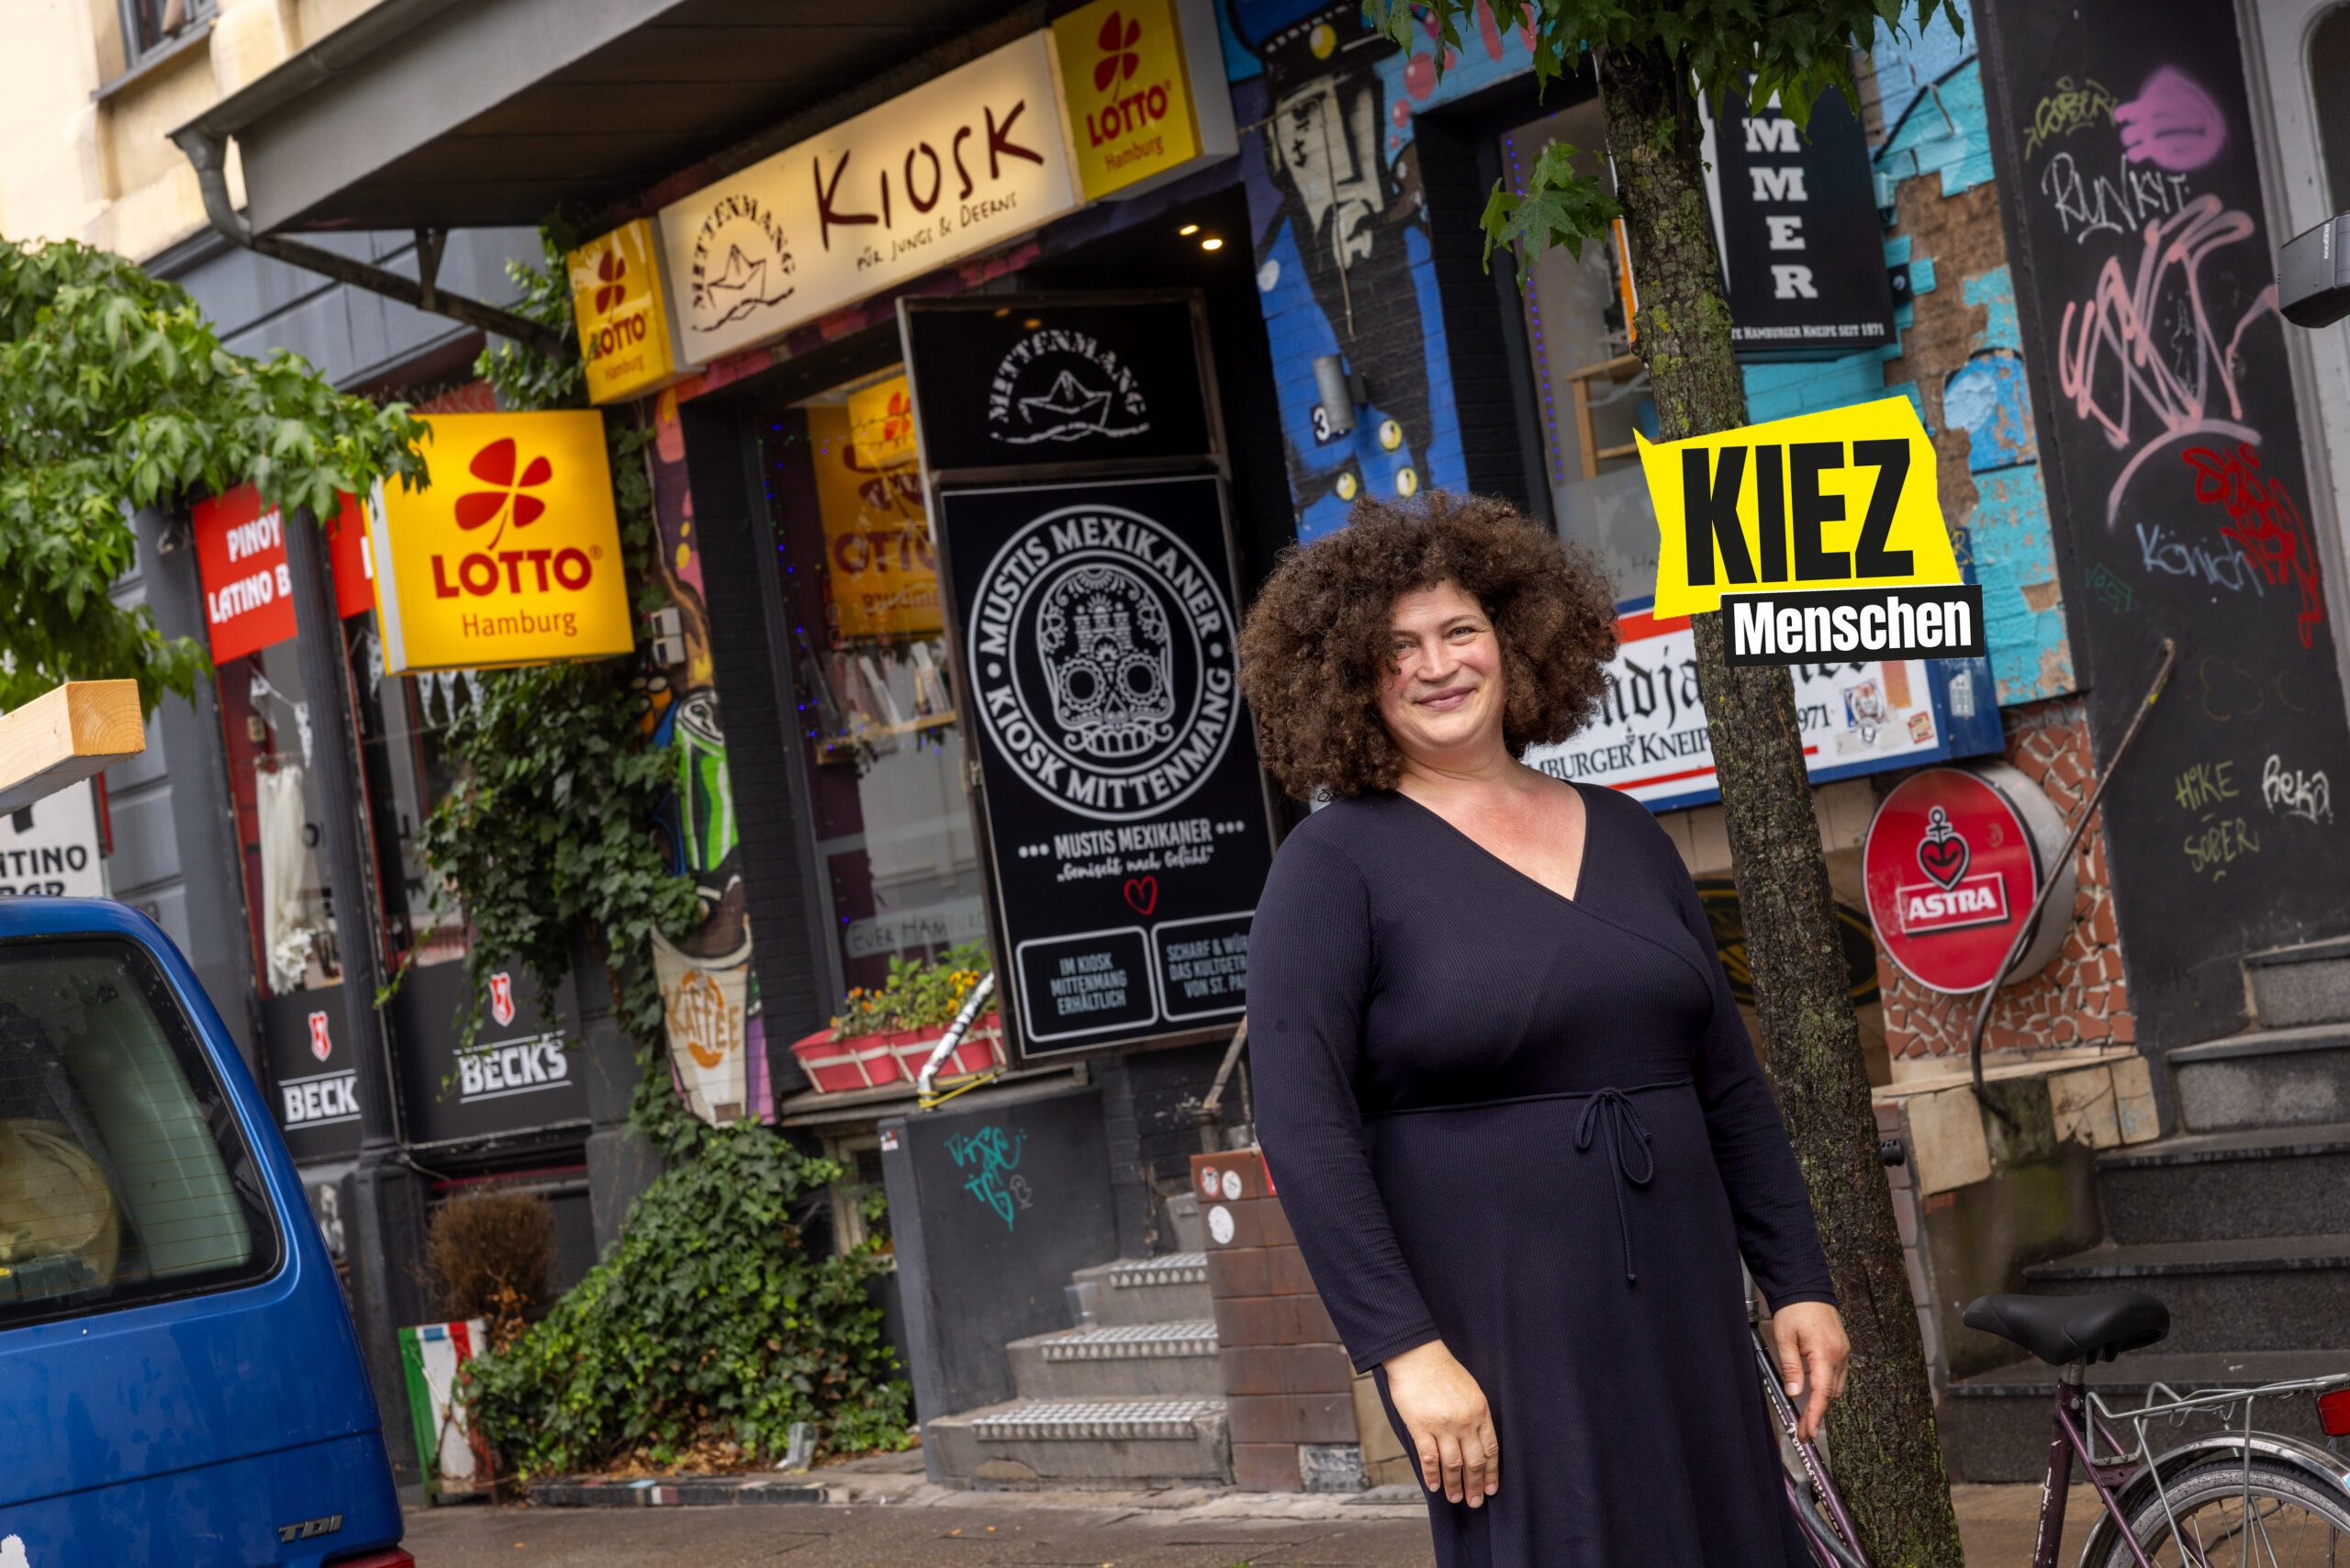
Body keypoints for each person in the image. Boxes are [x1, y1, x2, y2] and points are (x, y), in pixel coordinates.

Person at [1238, 492, 1850, 1566]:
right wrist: (1404, 1350)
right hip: (1500, 1330)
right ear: (1345, 675)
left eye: (1459, 631)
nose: (1435, 665)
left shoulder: (1624, 831)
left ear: (1516, 640)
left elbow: (1728, 1086)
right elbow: (1304, 1128)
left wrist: (1795, 1276)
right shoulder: (1329, 868)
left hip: (1684, 1307)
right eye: (1396, 648)